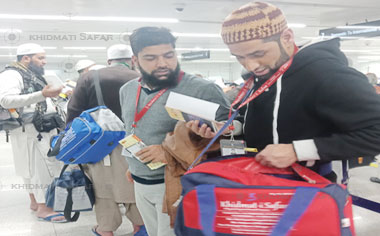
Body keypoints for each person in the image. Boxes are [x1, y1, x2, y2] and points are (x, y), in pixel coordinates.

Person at [189, 1, 380, 181]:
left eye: (258, 53)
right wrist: (230, 128)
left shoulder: (325, 73)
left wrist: (298, 151)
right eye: (239, 57)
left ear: (287, 37)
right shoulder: (267, 72)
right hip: (261, 183)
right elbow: (272, 120)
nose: (251, 65)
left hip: (305, 190)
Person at [119, 26, 230, 236]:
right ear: (135, 59)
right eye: (151, 58)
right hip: (140, 181)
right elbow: (131, 128)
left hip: (178, 182)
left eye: (168, 55)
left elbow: (231, 138)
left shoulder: (201, 89)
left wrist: (170, 152)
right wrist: (132, 163)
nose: (162, 63)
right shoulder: (128, 90)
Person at [66, 44, 146, 236]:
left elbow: (74, 112)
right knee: (134, 182)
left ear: (109, 61)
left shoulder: (89, 77)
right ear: (133, 60)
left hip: (100, 144)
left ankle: (106, 229)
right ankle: (141, 226)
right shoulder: (142, 78)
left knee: (104, 187)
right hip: (136, 142)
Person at [0, 43, 65, 222]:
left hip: (34, 129)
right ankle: (44, 208)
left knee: (30, 167)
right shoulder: (11, 74)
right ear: (26, 58)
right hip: (32, 130)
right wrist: (42, 95)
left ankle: (35, 202)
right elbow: (5, 100)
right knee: (42, 168)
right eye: (40, 58)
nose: (44, 62)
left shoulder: (30, 74)